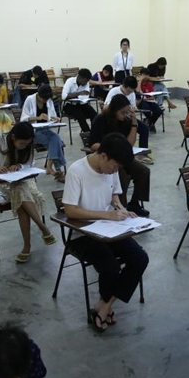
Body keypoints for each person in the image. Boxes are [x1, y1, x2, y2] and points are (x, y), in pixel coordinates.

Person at [62, 133, 149, 332]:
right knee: (110, 267)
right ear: (103, 156)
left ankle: (104, 305)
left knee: (140, 258)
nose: (115, 171)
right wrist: (106, 215)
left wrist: (119, 207)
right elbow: (70, 211)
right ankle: (105, 307)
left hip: (108, 229)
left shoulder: (111, 170)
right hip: (82, 234)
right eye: (115, 166)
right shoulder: (77, 171)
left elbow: (114, 195)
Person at [0, 122, 56, 262]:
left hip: (23, 181)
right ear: (13, 137)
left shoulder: (28, 145)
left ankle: (27, 246)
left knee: (20, 196)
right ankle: (42, 228)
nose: (24, 146)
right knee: (20, 192)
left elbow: (30, 164)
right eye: (22, 143)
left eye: (27, 144)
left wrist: (20, 165)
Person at [89, 94, 151, 216]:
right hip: (108, 158)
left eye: (127, 112)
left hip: (122, 157)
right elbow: (92, 144)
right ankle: (122, 207)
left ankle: (134, 203)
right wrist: (110, 149)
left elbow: (129, 144)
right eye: (122, 112)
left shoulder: (125, 121)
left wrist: (134, 124)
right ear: (114, 110)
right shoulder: (101, 120)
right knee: (123, 176)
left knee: (143, 171)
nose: (125, 115)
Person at [20, 84, 67, 182]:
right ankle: (57, 169)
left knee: (56, 139)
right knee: (56, 141)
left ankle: (50, 167)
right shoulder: (29, 99)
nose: (44, 101)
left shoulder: (48, 101)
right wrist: (38, 118)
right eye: (42, 99)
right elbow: (23, 119)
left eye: (46, 99)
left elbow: (52, 116)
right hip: (33, 132)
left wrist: (55, 118)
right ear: (38, 94)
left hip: (46, 129)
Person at [104, 76, 151, 157]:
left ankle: (143, 154)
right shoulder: (114, 91)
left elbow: (133, 105)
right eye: (128, 91)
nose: (129, 93)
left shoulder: (132, 93)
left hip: (128, 117)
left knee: (144, 129)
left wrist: (134, 108)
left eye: (132, 91)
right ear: (124, 86)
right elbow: (105, 107)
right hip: (116, 118)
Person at [61, 68, 98, 133]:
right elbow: (64, 96)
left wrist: (74, 95)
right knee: (81, 116)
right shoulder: (70, 81)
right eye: (85, 81)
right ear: (79, 77)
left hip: (81, 104)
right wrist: (79, 93)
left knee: (94, 114)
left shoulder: (86, 83)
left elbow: (85, 97)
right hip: (69, 105)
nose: (86, 83)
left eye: (87, 81)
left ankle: (95, 132)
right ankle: (87, 133)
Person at [135, 68, 164, 134]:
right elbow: (137, 91)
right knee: (147, 109)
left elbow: (152, 96)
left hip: (149, 100)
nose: (146, 76)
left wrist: (148, 98)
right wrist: (140, 80)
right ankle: (151, 124)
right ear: (141, 75)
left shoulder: (149, 84)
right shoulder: (137, 83)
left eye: (147, 75)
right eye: (144, 75)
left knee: (158, 111)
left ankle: (148, 122)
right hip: (141, 101)